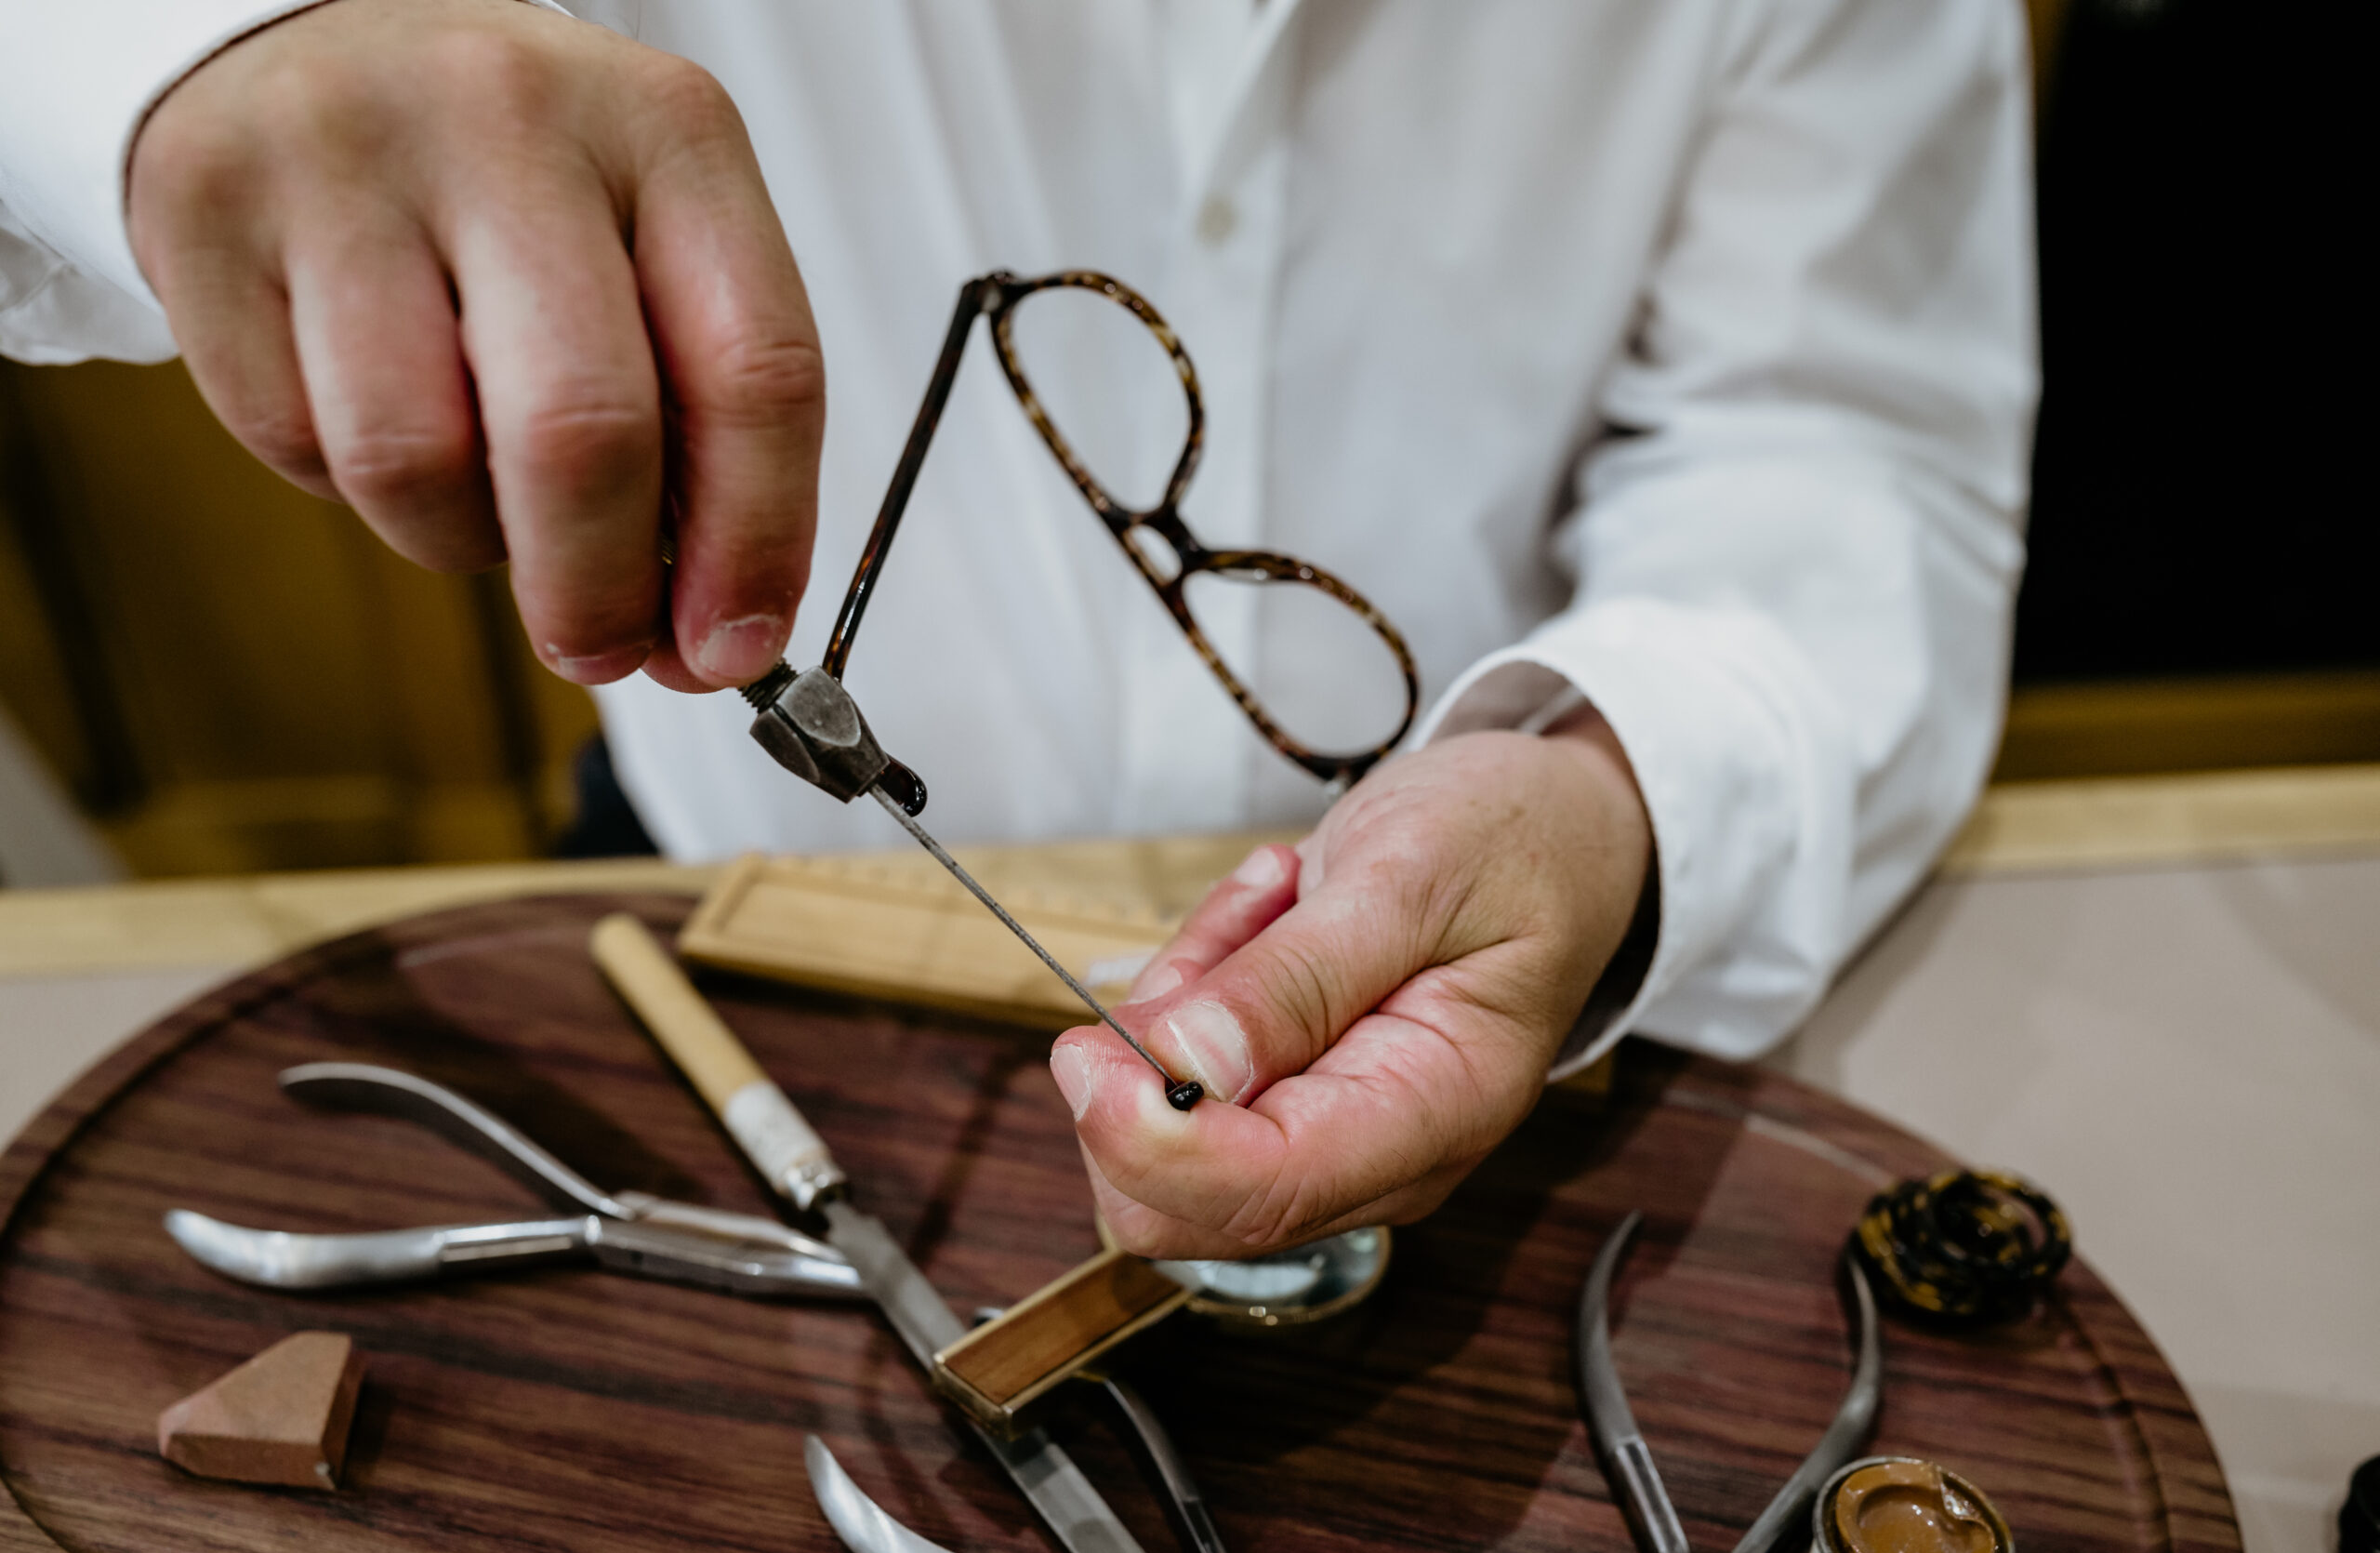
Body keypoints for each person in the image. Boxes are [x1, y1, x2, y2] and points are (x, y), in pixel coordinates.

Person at [0, 1, 2036, 1258]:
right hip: (713, 919)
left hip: (1502, 1001)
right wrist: (197, 41)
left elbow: (1834, 437)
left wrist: (1612, 781)